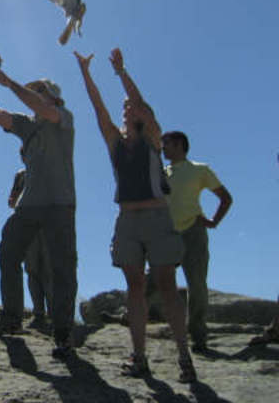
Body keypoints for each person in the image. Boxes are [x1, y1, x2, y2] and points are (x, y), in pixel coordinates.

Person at [75, 48, 196, 382]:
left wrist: (121, 73)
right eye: (125, 107)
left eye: (132, 108)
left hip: (157, 218)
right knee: (134, 287)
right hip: (127, 221)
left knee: (167, 285)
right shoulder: (115, 141)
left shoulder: (154, 140)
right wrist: (86, 73)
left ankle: (184, 355)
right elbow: (98, 107)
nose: (127, 108)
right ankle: (139, 357)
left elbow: (141, 103)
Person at [0, 66, 77, 358]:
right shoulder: (27, 125)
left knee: (62, 267)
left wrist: (9, 83)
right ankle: (12, 319)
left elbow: (39, 105)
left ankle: (63, 333)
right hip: (29, 204)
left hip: (59, 203)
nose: (34, 95)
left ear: (53, 98)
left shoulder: (62, 118)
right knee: (8, 253)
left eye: (39, 90)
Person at [161, 130, 233, 353]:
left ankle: (198, 335)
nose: (163, 148)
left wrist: (213, 221)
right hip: (167, 234)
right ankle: (128, 316)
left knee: (197, 284)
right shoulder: (162, 173)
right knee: (151, 279)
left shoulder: (200, 170)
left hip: (193, 231)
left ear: (180, 145)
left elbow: (225, 198)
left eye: (167, 144)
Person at [9, 152, 53, 328]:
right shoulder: (21, 176)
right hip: (27, 225)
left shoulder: (50, 171)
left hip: (48, 226)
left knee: (49, 270)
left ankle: (54, 314)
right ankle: (38, 313)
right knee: (32, 269)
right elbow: (11, 200)